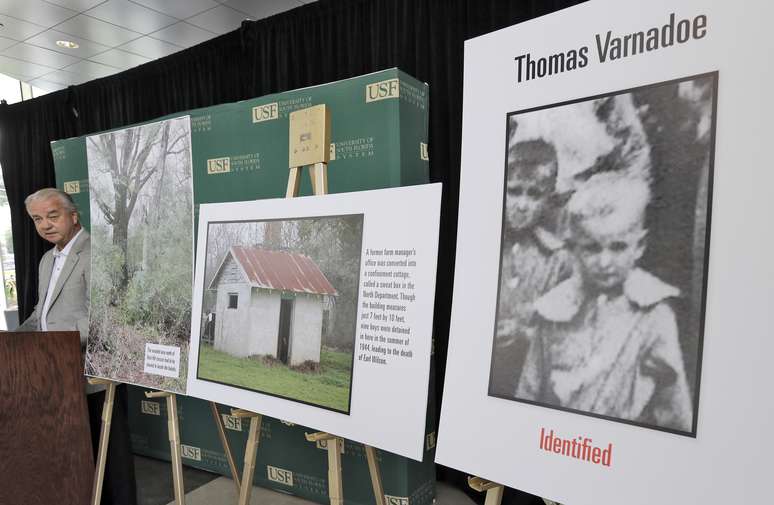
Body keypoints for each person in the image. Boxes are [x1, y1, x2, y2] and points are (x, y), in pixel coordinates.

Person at [517, 172, 693, 432]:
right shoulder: (555, 308)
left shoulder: (654, 313)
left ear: (640, 245)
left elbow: (674, 404)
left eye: (618, 247)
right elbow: (529, 389)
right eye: (591, 248)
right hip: (557, 439)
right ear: (575, 247)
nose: (604, 262)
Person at [18, 187, 137, 505]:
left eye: (52, 216)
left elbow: (106, 317)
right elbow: (40, 313)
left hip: (93, 376)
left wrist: (58, 342)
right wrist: (14, 340)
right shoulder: (47, 259)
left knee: (111, 460)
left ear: (74, 215)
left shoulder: (97, 253)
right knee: (77, 460)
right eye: (37, 219)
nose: (45, 225)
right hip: (57, 375)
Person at [490, 139, 574, 398]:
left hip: (530, 386)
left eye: (534, 194)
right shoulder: (484, 247)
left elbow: (567, 334)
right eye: (514, 191)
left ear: (549, 197)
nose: (522, 205)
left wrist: (525, 333)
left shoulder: (558, 259)